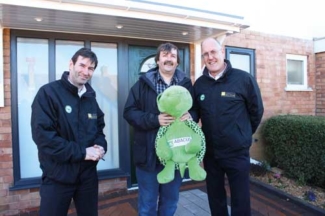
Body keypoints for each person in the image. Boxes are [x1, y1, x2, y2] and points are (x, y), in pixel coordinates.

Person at [31, 47, 107, 216]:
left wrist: (101, 146)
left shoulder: (90, 97)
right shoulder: (48, 93)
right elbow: (44, 138)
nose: (86, 72)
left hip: (87, 176)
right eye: (82, 65)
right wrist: (83, 152)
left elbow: (99, 129)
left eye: (91, 68)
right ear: (71, 64)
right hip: (57, 176)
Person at [193, 37, 264, 216]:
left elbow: (256, 112)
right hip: (211, 153)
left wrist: (243, 134)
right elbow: (195, 114)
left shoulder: (243, 79)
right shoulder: (200, 84)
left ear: (222, 52)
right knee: (215, 198)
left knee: (240, 199)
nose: (210, 57)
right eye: (206, 54)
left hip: (236, 153)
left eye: (213, 52)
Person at [123, 42, 195, 216]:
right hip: (149, 156)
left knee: (170, 203)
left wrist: (191, 115)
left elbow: (196, 108)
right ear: (158, 60)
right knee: (147, 205)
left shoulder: (186, 85)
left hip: (176, 157)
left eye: (172, 56)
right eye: (165, 55)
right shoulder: (141, 84)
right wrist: (155, 120)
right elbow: (129, 112)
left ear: (177, 61)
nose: (168, 59)